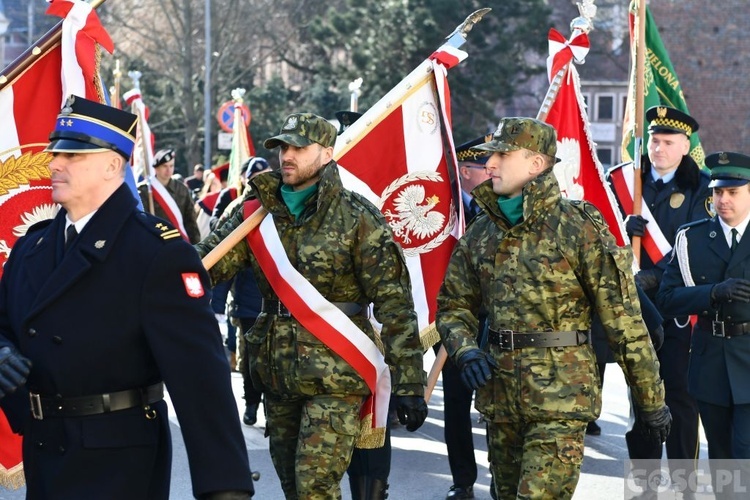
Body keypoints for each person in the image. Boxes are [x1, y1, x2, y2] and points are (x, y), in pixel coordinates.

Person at [0, 95, 253, 499]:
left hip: (119, 462)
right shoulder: (33, 248)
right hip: (46, 452)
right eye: (55, 154)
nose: (54, 164)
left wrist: (225, 488)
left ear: (112, 165)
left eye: (73, 156)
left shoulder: (156, 253)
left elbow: (201, 382)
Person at [195, 112, 428, 499]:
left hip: (337, 373)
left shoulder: (358, 216)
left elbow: (394, 303)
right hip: (276, 372)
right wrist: (161, 260)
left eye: (298, 148)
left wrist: (409, 383)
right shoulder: (255, 212)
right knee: (292, 485)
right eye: (282, 146)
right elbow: (208, 264)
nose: (287, 155)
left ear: (326, 153)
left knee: (314, 488)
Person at [436, 117, 670, 499]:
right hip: (500, 396)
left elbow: (623, 320)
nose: (489, 164)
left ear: (535, 164)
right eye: (489, 156)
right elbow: (453, 305)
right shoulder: (482, 232)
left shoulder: (577, 226)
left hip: (561, 396)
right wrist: (465, 348)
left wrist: (650, 401)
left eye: (501, 155)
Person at [607, 106, 710, 461]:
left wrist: (654, 276)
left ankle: (684, 489)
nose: (659, 148)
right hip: (637, 309)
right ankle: (644, 489)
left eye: (668, 142)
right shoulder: (625, 183)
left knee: (680, 398)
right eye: (654, 140)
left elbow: (697, 244)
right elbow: (598, 239)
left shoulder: (703, 187)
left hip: (679, 309)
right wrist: (623, 230)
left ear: (685, 146)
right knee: (641, 400)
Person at [657, 151, 750, 460]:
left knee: (744, 452)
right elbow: (667, 299)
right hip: (710, 360)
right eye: (718, 191)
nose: (723, 199)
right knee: (722, 455)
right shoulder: (692, 238)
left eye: (733, 192)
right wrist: (712, 293)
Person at [438, 136, 492, 500]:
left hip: (496, 321)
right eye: (482, 169)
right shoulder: (446, 210)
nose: (490, 174)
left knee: (498, 403)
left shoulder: (500, 209)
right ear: (465, 172)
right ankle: (463, 480)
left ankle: (503, 477)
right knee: (456, 406)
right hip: (457, 323)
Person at [210, 156, 273, 426]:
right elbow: (224, 257)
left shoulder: (282, 207)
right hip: (247, 299)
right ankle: (250, 403)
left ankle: (272, 410)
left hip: (276, 300)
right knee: (249, 359)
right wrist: (216, 304)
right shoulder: (239, 209)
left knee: (273, 360)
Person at [138, 148, 202, 244]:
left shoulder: (182, 189)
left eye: (171, 166)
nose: (168, 170)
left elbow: (190, 221)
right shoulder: (145, 190)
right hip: (155, 244)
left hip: (180, 243)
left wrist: (196, 246)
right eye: (165, 166)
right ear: (156, 168)